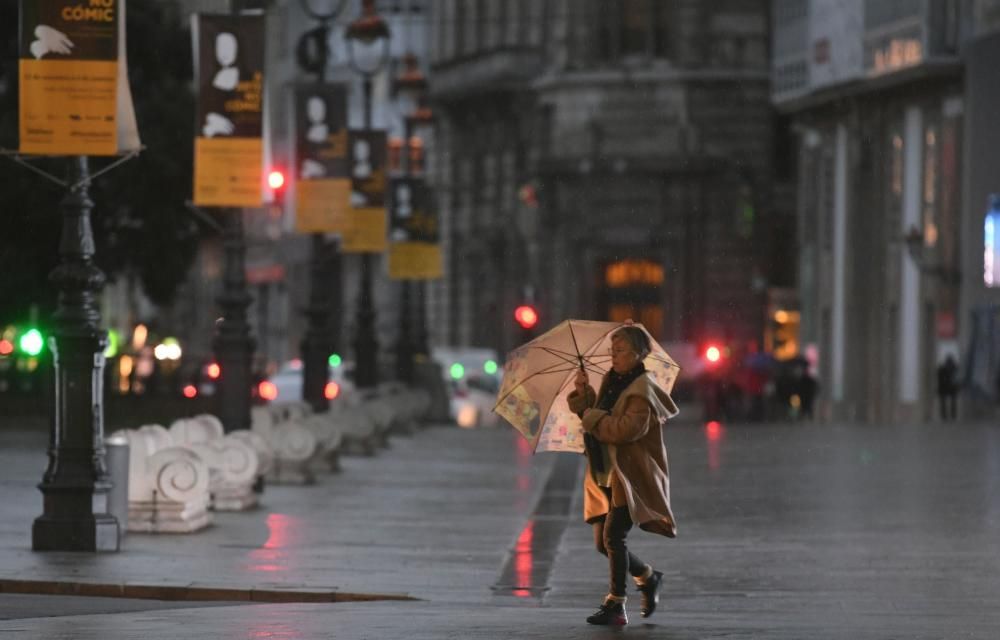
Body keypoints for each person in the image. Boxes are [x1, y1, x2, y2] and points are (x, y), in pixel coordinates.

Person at [567, 325, 679, 626]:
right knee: (603, 543)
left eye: (619, 351)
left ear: (639, 354)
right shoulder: (612, 380)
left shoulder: (642, 390)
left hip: (629, 474)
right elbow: (599, 414)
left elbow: (625, 430)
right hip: (605, 469)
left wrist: (592, 417)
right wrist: (583, 394)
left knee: (614, 536)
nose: (613, 357)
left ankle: (616, 604)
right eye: (611, 352)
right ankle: (648, 576)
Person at [937, 355, 959, 421]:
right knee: (952, 402)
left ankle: (945, 416)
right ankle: (952, 415)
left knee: (945, 402)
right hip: (951, 387)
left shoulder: (942, 368)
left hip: (945, 387)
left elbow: (939, 379)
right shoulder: (955, 368)